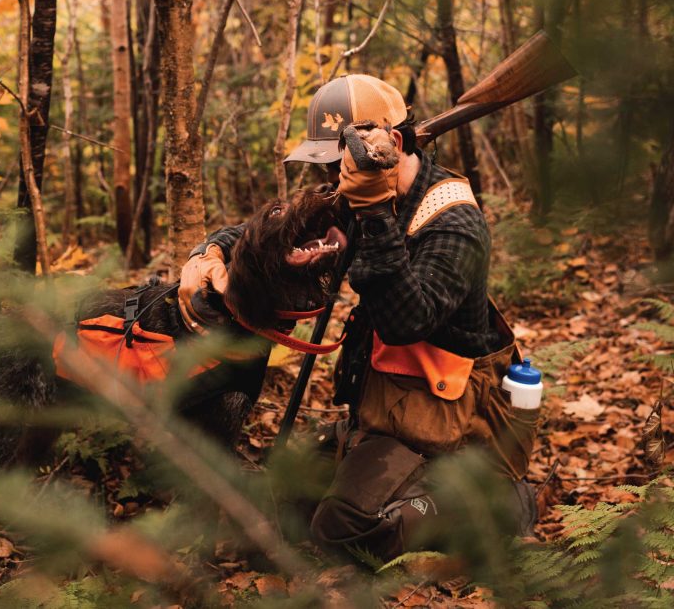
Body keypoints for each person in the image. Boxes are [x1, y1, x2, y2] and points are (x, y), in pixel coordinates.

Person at [179, 74, 539, 560]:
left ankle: (493, 505)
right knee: (283, 506)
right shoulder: (358, 191)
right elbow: (261, 234)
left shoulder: (455, 222)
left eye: (337, 163)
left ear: (390, 143)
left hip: (450, 433)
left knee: (340, 532)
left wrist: (374, 214)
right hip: (387, 418)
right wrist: (207, 255)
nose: (332, 178)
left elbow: (407, 320)